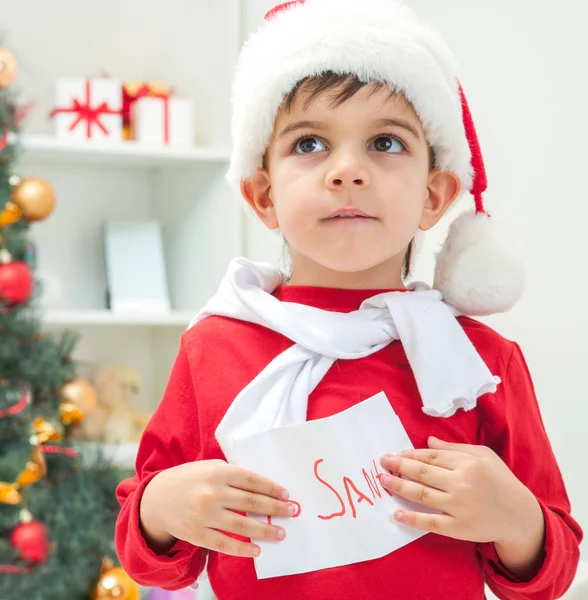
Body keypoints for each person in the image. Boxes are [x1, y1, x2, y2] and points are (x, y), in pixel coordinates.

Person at [114, 1, 583, 598]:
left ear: (435, 195)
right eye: (309, 144)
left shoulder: (482, 365)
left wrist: (516, 519)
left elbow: (552, 570)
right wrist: (160, 507)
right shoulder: (212, 348)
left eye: (385, 143)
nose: (347, 170)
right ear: (262, 195)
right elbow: (150, 558)